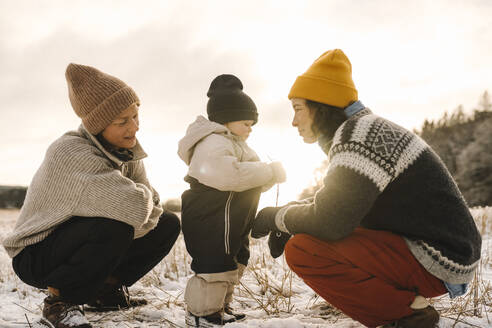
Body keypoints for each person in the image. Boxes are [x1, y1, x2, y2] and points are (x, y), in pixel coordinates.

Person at [251, 49, 482, 328]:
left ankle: (409, 315)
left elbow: (331, 221)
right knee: (321, 233)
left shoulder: (359, 138)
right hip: (441, 251)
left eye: (298, 109)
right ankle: (397, 301)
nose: (294, 121)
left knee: (304, 249)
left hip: (438, 259)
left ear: (321, 106)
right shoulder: (364, 131)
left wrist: (279, 218)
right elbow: (341, 203)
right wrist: (289, 214)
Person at [2, 64, 181, 328]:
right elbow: (135, 208)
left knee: (167, 223)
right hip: (35, 254)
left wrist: (138, 203)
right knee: (114, 225)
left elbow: (150, 206)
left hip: (75, 239)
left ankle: (103, 290)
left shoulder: (126, 151)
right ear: (98, 126)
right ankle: (59, 303)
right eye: (122, 121)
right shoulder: (71, 152)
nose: (134, 127)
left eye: (135, 116)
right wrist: (138, 202)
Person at [178, 74, 286, 327]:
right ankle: (201, 313)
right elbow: (230, 176)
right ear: (226, 118)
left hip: (232, 217)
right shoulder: (212, 142)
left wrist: (268, 176)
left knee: (232, 261)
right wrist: (269, 171)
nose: (250, 129)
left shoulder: (238, 144)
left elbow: (251, 176)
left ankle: (220, 307)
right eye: (246, 123)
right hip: (212, 216)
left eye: (252, 124)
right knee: (214, 264)